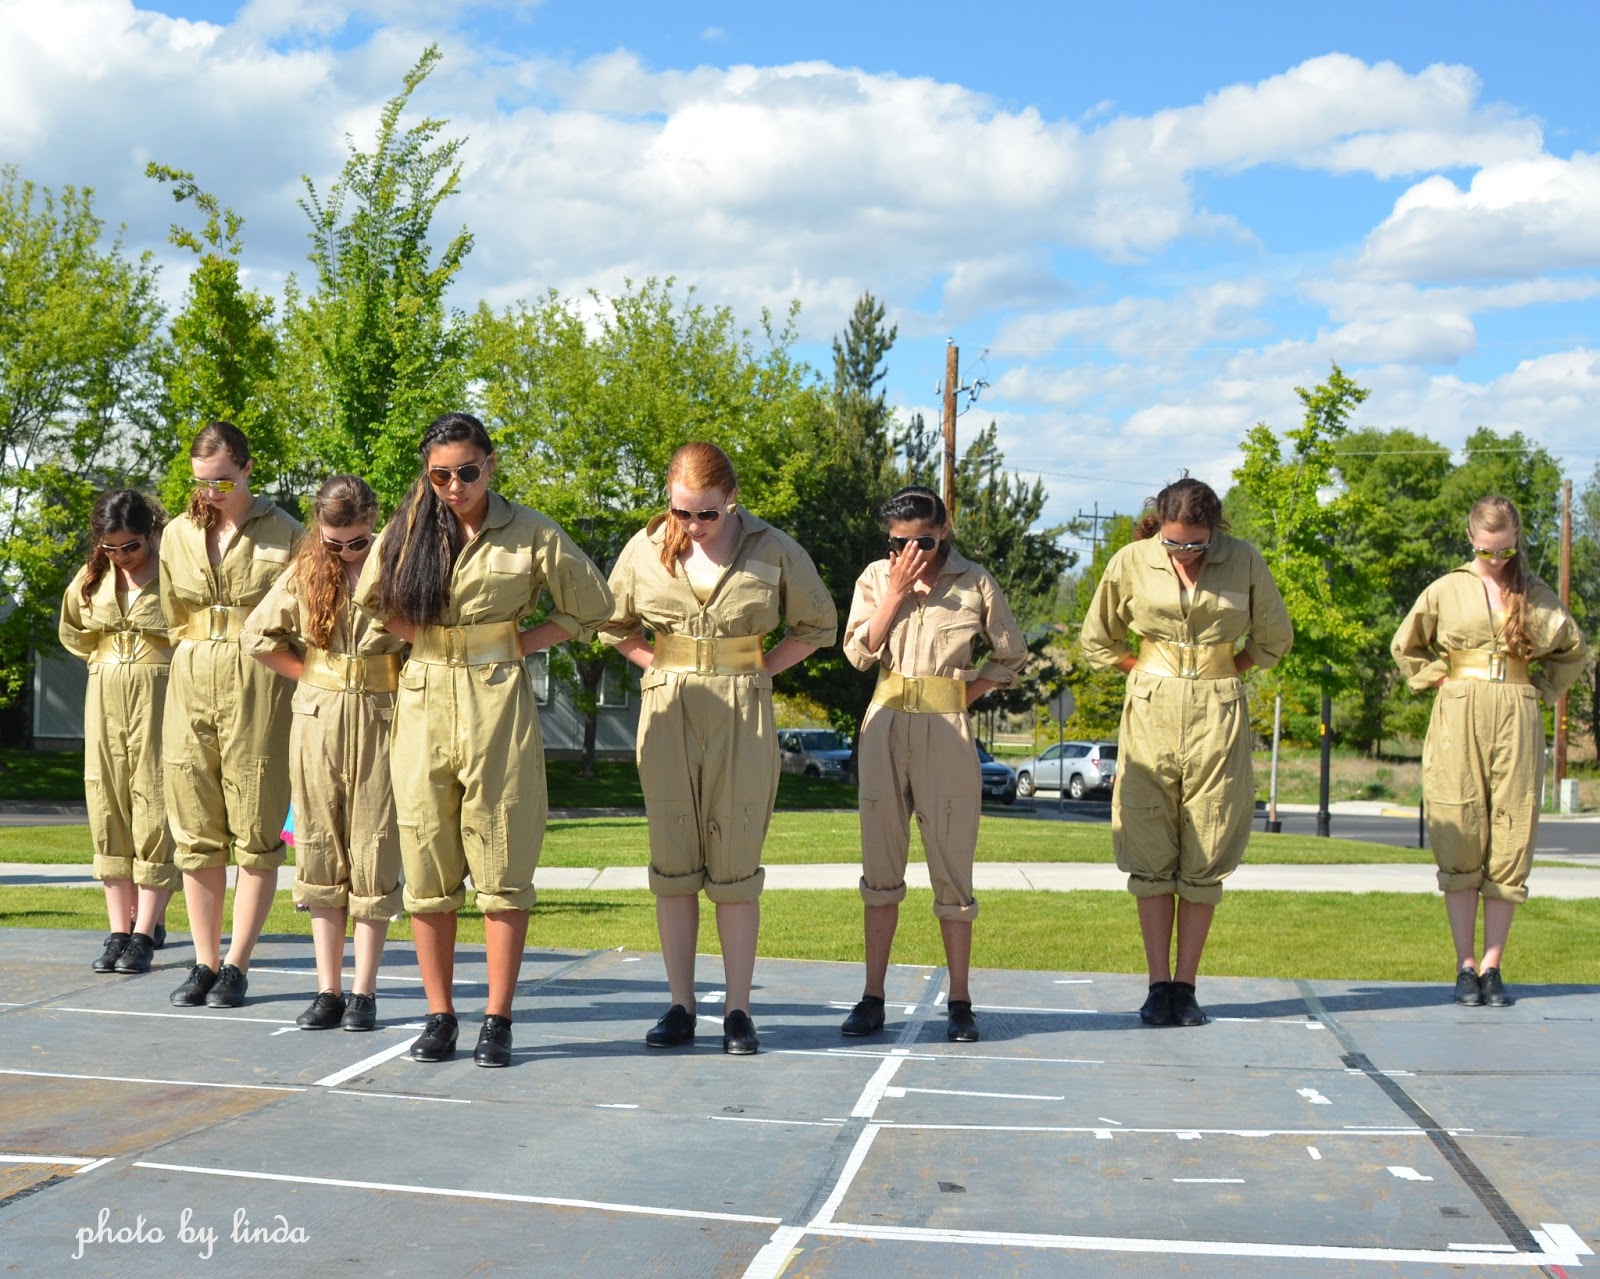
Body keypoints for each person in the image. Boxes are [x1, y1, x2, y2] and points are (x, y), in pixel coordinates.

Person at [355, 412, 613, 1067]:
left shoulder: (532, 531)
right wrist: (428, 639)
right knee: (426, 861)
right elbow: (372, 600)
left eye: (466, 472)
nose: (454, 486)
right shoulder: (408, 529)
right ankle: (439, 1015)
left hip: (498, 700)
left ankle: (497, 1019)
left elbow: (591, 607)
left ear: (490, 465)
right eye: (439, 475)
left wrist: (517, 643)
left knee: (503, 855)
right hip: (424, 698)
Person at [603, 442, 836, 1055]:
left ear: (732, 500)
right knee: (673, 864)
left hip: (742, 709)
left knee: (735, 866)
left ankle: (738, 1010)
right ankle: (680, 1006)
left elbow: (817, 625)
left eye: (706, 512)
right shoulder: (644, 548)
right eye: (681, 511)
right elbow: (611, 624)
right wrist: (658, 665)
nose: (692, 524)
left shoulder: (774, 549)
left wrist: (759, 671)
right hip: (667, 710)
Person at [1081, 476, 1291, 1027]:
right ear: (1159, 526)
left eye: (1197, 543)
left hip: (1218, 713)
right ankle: (1157, 987)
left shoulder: (1244, 561)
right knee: (1148, 842)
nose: (1185, 553)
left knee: (1208, 842)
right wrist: (1146, 671)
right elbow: (1097, 638)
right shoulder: (1130, 561)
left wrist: (1224, 670)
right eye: (1174, 542)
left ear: (1215, 529)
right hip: (1150, 710)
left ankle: (1187, 987)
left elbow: (1274, 639)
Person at [837, 486, 1026, 1044]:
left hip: (946, 730)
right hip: (885, 723)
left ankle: (960, 1001)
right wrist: (895, 593)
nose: (910, 552)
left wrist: (963, 695)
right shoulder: (876, 578)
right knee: (880, 866)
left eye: (922, 541)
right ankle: (872, 997)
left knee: (952, 866)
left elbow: (1011, 654)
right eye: (898, 542)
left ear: (942, 531)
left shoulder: (975, 582)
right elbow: (858, 654)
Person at [1391, 495, 1584, 1008]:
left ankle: (1493, 967)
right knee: (1460, 825)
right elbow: (1406, 645)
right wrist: (1440, 678)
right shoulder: (1447, 589)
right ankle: (1465, 965)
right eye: (1486, 551)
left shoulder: (1536, 594)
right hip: (1460, 709)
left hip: (1517, 710)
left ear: (1517, 541)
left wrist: (1541, 688)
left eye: (1504, 551)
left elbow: (1573, 649)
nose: (1496, 560)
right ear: (1470, 540)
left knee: (1511, 829)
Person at [243, 476, 403, 1031]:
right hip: (318, 716)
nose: (346, 552)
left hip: (383, 715)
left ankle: (364, 992)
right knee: (317, 845)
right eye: (335, 542)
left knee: (375, 845)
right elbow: (257, 637)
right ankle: (328, 989)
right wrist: (312, 675)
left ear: (373, 523)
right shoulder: (307, 570)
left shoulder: (398, 566)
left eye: (357, 541)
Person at [161, 422, 303, 1009]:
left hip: (259, 678)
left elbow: (304, 614)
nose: (211, 492)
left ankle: (238, 964)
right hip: (191, 674)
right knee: (195, 829)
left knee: (257, 827)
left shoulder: (288, 533)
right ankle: (204, 961)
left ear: (247, 468)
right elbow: (172, 611)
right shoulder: (176, 533)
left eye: (222, 480)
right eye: (201, 481)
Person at [59, 490, 178, 975]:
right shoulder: (92, 577)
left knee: (155, 799)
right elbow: (74, 629)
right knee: (106, 802)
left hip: (160, 693)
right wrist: (108, 659)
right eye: (111, 548)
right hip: (105, 694)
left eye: (131, 546)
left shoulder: (173, 571)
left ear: (149, 534)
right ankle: (118, 931)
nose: (122, 556)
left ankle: (145, 931)